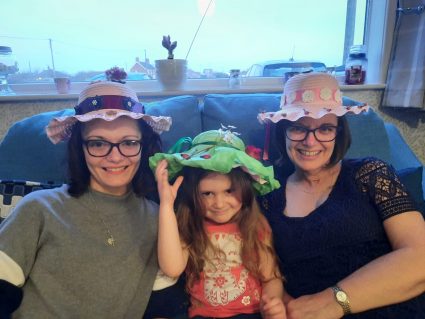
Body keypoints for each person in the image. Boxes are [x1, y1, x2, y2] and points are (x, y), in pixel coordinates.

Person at [0, 77, 186, 318]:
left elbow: (164, 308)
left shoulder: (159, 219)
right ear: (80, 147)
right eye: (98, 144)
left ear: (144, 146)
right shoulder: (39, 207)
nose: (115, 157)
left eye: (128, 143)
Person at [257, 72, 425, 318]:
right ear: (283, 132)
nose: (310, 142)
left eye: (325, 128)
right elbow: (268, 276)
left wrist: (332, 302)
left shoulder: (370, 173)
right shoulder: (266, 196)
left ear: (339, 132)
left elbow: (420, 256)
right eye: (298, 128)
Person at [149, 128, 286, 319]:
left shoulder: (255, 224)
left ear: (246, 189)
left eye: (230, 191)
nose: (219, 204)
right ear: (193, 194)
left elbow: (271, 278)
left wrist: (273, 303)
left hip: (251, 313)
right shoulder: (189, 224)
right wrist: (166, 204)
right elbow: (172, 268)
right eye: (207, 194)